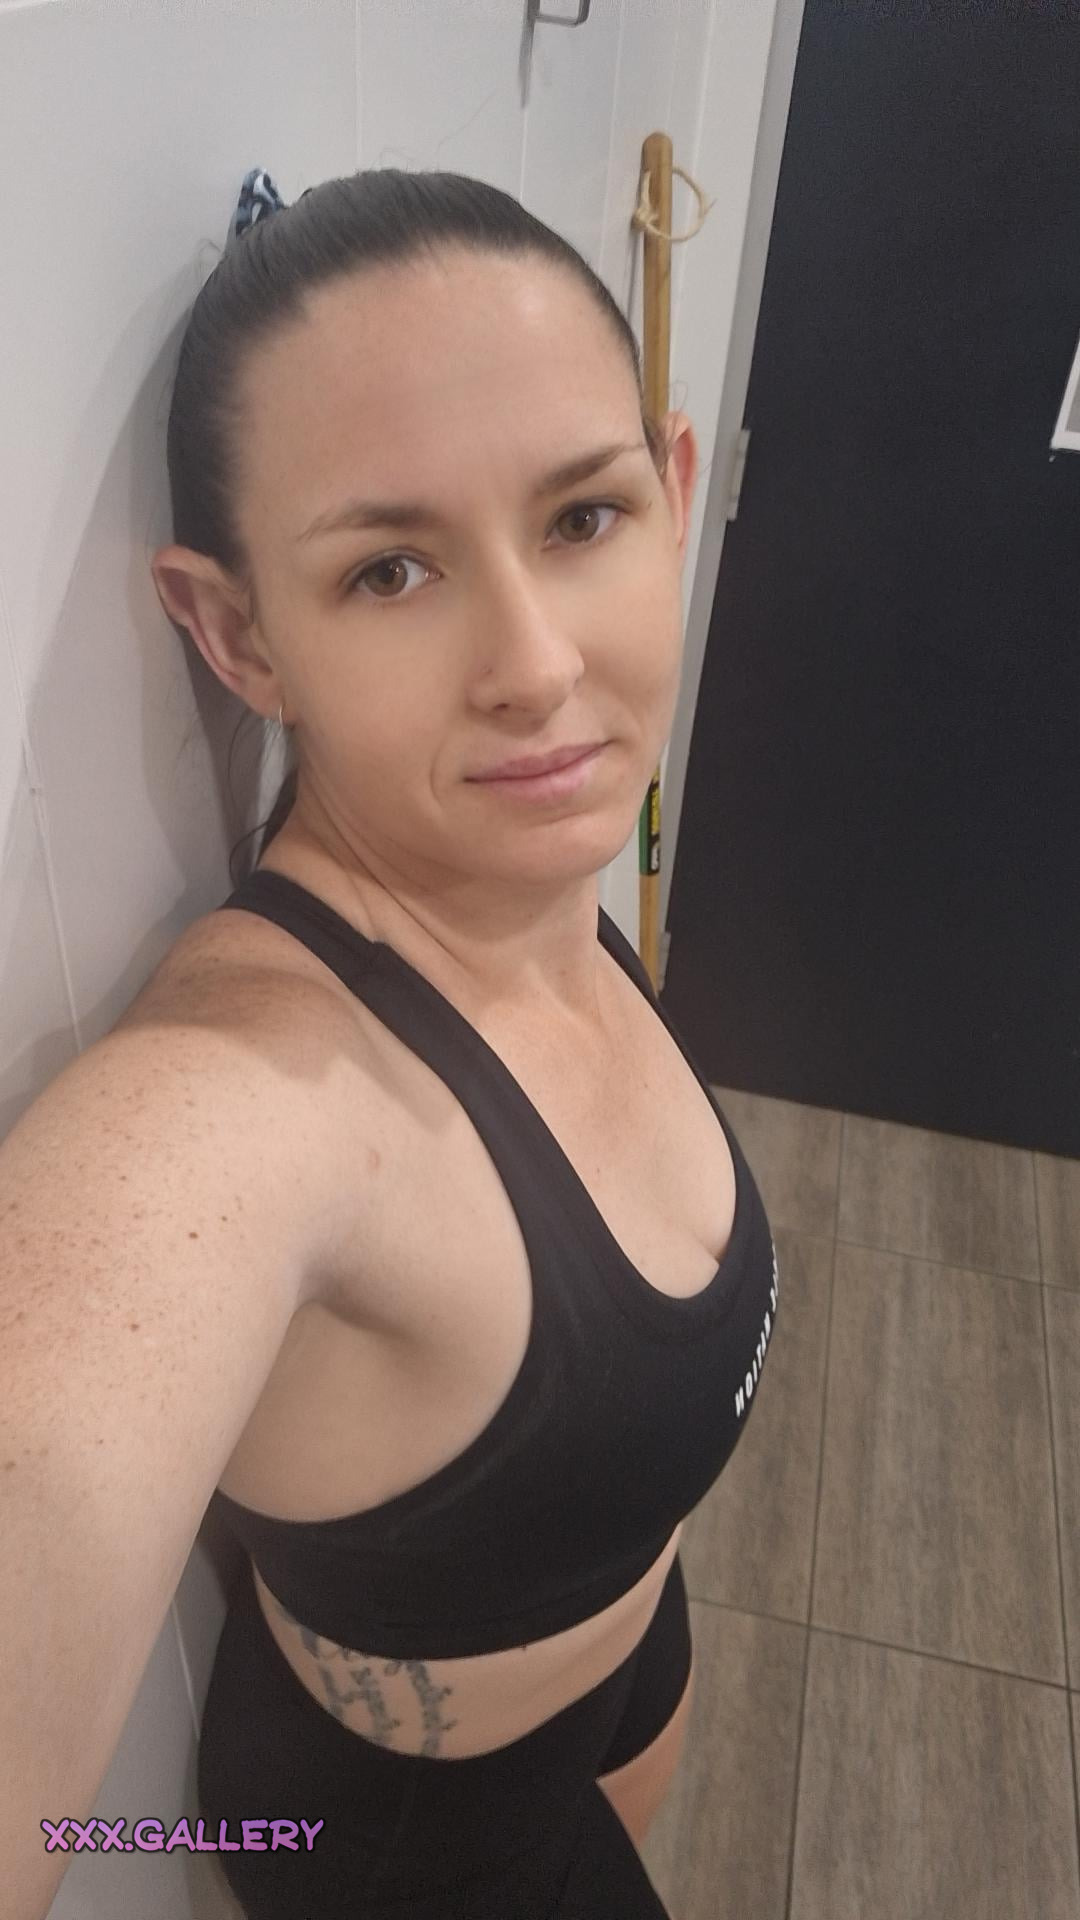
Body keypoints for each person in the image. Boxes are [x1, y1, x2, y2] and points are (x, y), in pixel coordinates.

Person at [1, 167, 780, 1919]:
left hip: (620, 1665)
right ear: (235, 633)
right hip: (388, 1843)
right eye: (392, 569)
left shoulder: (525, 869)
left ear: (672, 493)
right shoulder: (237, 1104)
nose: (535, 665)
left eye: (581, 518)